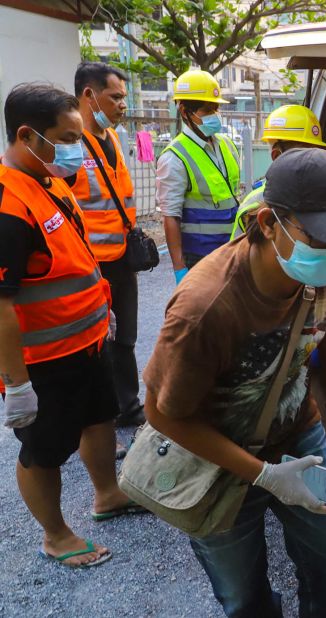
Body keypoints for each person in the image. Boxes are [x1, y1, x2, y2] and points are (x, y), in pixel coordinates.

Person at [143, 148, 326, 617]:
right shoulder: (204, 308)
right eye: (321, 238)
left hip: (299, 437)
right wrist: (262, 475)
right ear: (269, 222)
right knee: (243, 596)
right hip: (214, 459)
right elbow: (162, 413)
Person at [0, 83, 140, 568]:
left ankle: (107, 494)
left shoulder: (51, 181)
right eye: (64, 137)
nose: (74, 148)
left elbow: (73, 260)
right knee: (44, 450)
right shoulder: (7, 203)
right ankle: (55, 535)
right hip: (43, 361)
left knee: (99, 417)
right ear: (26, 135)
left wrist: (101, 310)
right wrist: (16, 384)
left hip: (88, 341)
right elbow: (1, 305)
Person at [69, 61, 145, 427]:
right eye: (115, 97)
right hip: (90, 265)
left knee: (125, 338)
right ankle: (100, 417)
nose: (122, 105)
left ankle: (127, 407)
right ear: (89, 95)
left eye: (123, 98)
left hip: (121, 260)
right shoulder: (69, 146)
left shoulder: (112, 137)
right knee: (97, 342)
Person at [156, 69, 240, 284]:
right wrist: (179, 269)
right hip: (200, 257)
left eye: (216, 108)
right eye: (206, 110)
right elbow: (171, 217)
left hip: (232, 248)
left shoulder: (227, 145)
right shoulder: (175, 157)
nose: (214, 115)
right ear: (184, 111)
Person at [230, 104, 326, 240]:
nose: (312, 162)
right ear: (277, 155)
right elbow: (240, 257)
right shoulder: (254, 204)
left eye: (314, 154)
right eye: (303, 155)